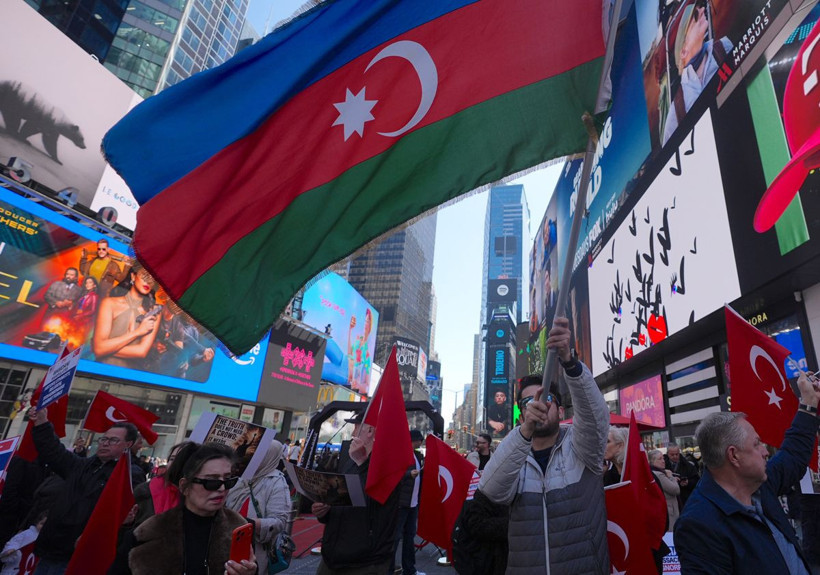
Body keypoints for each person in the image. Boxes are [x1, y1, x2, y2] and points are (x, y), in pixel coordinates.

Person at [479, 317, 610, 573]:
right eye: (528, 402)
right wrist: (524, 431)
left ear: (560, 411)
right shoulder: (513, 457)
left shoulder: (581, 448)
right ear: (521, 415)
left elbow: (596, 418)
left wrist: (569, 362)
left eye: (546, 397)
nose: (538, 404)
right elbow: (492, 490)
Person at [674, 371, 820, 574]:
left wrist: (808, 403)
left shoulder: (759, 483)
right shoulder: (699, 525)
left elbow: (793, 454)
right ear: (734, 455)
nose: (765, 452)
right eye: (757, 443)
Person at [109, 442, 256, 575]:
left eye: (228, 480)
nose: (222, 488)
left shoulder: (240, 529)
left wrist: (250, 572)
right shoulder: (144, 534)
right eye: (211, 481)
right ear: (184, 486)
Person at [30, 408, 144, 574]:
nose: (105, 443)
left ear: (128, 444)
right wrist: (41, 422)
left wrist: (93, 536)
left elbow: (119, 515)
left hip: (81, 556)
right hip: (51, 549)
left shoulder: (130, 475)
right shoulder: (81, 465)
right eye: (103, 439)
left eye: (113, 440)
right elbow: (53, 451)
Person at [311, 411, 400, 574]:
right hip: (333, 556)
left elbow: (376, 505)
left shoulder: (389, 466)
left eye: (357, 427)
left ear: (370, 430)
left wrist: (363, 463)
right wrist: (324, 511)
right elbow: (342, 500)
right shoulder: (349, 461)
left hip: (365, 562)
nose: (352, 433)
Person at [661, 0, 732, 143]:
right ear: (683, 51)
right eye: (694, 15)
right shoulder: (675, 114)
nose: (702, 10)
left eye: (700, 8)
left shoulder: (725, 48)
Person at [226, 440, 292, 573]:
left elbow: (279, 522)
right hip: (228, 541)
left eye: (260, 454)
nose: (253, 458)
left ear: (269, 456)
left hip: (256, 549)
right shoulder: (242, 477)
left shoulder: (277, 482)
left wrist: (248, 524)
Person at [92, 264, 161, 369]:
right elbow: (99, 349)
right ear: (133, 276)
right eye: (145, 275)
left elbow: (141, 352)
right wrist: (138, 332)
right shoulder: (109, 303)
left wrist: (105, 348)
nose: (148, 281)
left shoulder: (154, 311)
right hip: (100, 371)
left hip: (131, 375)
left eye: (153, 279)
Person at [391, 429, 425, 575]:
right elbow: (392, 475)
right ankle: (389, 569)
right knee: (395, 538)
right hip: (401, 503)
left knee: (409, 537)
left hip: (412, 503)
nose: (420, 443)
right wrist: (407, 475)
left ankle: (409, 570)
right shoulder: (401, 454)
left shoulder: (416, 455)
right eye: (419, 440)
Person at [453, 490, 509, 575]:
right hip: (485, 561)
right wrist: (513, 524)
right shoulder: (480, 501)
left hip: (494, 559)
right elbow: (478, 526)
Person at [648, 449, 680, 530]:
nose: (663, 461)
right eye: (660, 459)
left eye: (663, 458)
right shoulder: (659, 474)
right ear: (652, 461)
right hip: (670, 512)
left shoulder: (655, 472)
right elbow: (675, 490)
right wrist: (671, 477)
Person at [664, 442, 699, 508]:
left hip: (685, 500)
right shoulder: (662, 466)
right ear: (667, 454)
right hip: (669, 501)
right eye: (672, 455)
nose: (675, 456)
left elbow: (697, 481)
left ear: (679, 453)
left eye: (677, 454)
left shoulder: (688, 465)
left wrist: (688, 482)